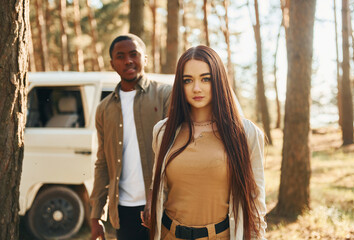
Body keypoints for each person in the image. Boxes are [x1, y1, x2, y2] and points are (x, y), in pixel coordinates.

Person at [143, 45, 267, 240]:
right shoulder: (163, 131)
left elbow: (255, 200)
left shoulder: (244, 133)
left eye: (205, 78)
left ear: (218, 80)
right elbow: (159, 186)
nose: (196, 88)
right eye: (188, 80)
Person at [90, 33, 172, 240]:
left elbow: (172, 152)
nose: (128, 60)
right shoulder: (103, 109)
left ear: (145, 58)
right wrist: (96, 214)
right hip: (124, 210)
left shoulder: (165, 95)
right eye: (121, 56)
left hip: (165, 205)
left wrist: (154, 198)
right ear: (112, 63)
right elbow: (102, 162)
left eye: (134, 54)